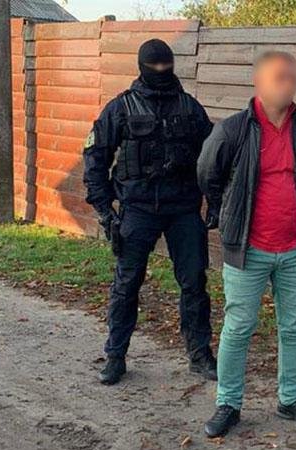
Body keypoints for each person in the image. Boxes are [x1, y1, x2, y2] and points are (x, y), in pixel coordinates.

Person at [197, 51, 296, 438]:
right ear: (258, 82)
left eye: (291, 77)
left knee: (295, 327)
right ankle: (228, 403)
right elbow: (207, 174)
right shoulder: (232, 130)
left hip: (295, 250)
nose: (287, 84)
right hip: (247, 250)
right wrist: (229, 210)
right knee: (238, 327)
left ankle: (291, 399)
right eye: (277, 77)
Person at [82, 39, 216, 385]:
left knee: (194, 283)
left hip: (183, 208)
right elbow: (95, 157)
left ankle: (200, 354)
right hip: (138, 209)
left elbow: (213, 159)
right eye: (154, 65)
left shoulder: (190, 108)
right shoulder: (121, 108)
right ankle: (115, 355)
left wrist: (215, 203)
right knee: (126, 283)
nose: (160, 71)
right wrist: (104, 210)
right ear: (142, 67)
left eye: (165, 65)